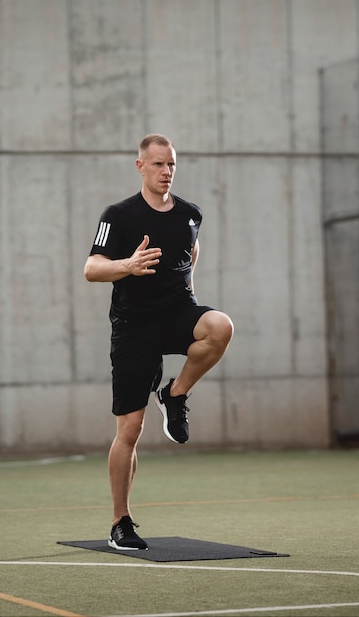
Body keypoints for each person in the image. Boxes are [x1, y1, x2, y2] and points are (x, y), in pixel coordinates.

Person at [84, 133, 234, 551]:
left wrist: (186, 293)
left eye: (171, 165)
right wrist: (128, 265)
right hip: (134, 326)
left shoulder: (190, 214)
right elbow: (91, 269)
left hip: (176, 314)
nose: (166, 172)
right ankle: (120, 522)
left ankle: (175, 393)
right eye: (157, 165)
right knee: (130, 428)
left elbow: (191, 252)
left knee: (220, 326)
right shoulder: (119, 215)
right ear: (140, 167)